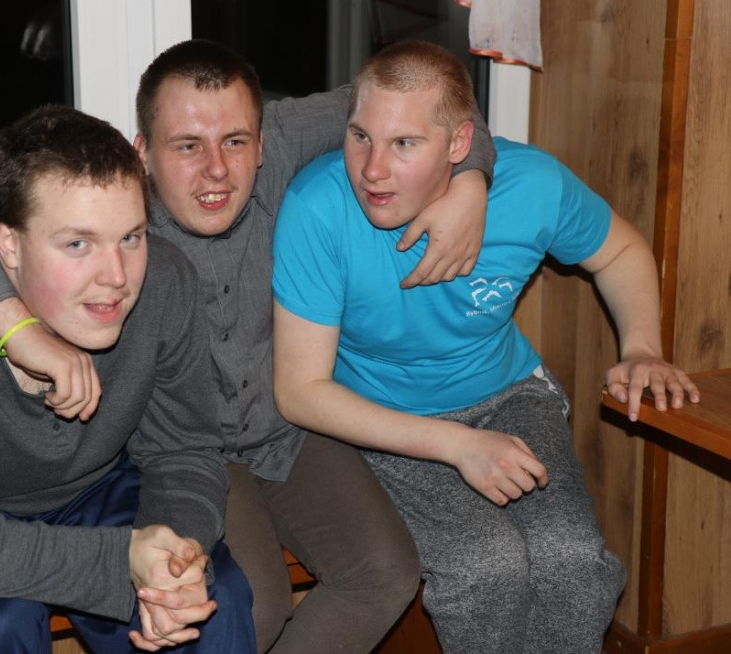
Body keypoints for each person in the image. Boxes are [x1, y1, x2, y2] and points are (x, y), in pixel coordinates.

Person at [0, 39, 496, 653]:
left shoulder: (279, 142)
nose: (216, 169)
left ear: (262, 144)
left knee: (385, 574)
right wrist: (17, 328)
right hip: (186, 449)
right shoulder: (112, 206)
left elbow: (433, 101)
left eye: (235, 141)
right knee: (250, 604)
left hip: (288, 426)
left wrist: (471, 181)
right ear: (143, 153)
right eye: (186, 146)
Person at [270, 40, 701, 654]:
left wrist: (642, 347)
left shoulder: (533, 186)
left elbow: (622, 251)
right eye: (361, 136)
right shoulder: (317, 206)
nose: (372, 169)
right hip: (383, 419)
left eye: (404, 143)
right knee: (485, 567)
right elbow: (300, 391)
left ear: (459, 145)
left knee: (575, 561)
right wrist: (458, 444)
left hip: (510, 395)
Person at [0, 104, 256, 654]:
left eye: (131, 237)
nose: (117, 276)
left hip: (91, 483)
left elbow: (184, 451)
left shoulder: (166, 281)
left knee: (211, 600)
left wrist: (173, 562)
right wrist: (118, 559)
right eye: (78, 244)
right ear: (9, 244)